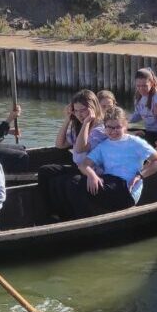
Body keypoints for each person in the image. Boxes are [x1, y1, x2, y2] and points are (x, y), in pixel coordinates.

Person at [64, 107, 157, 218]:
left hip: (127, 191)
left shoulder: (135, 142)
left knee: (74, 182)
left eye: (118, 127)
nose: (113, 131)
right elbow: (84, 165)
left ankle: (81, 219)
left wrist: (140, 175)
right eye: (109, 127)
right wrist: (92, 175)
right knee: (68, 181)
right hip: (110, 183)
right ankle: (75, 216)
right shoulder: (103, 146)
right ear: (104, 127)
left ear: (125, 126)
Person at [37, 90, 106, 220]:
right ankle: (50, 212)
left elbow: (79, 149)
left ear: (93, 109)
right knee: (45, 171)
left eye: (83, 110)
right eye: (76, 111)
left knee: (66, 182)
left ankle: (75, 217)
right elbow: (60, 144)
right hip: (79, 167)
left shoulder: (100, 129)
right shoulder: (77, 126)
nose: (79, 114)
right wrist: (68, 119)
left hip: (93, 170)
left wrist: (86, 123)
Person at [129, 68, 157, 146]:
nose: (141, 89)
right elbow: (138, 115)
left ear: (152, 83)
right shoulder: (138, 96)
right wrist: (124, 120)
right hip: (148, 130)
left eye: (144, 86)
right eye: (138, 86)